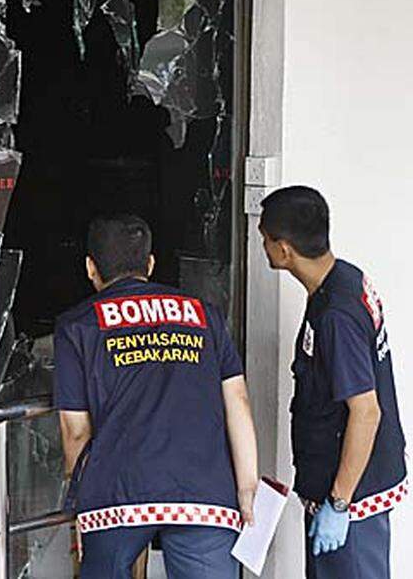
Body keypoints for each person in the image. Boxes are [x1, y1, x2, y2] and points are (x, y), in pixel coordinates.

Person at [54, 214, 258, 579]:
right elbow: (238, 402)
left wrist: (82, 507)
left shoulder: (78, 325)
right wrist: (246, 488)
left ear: (90, 268)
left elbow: (76, 433)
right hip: (203, 493)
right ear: (150, 264)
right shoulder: (204, 315)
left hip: (117, 493)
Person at [259, 186, 408, 579]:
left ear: (285, 249)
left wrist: (339, 504)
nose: (263, 246)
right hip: (345, 485)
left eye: (265, 239)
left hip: (351, 498)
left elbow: (366, 411)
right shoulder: (344, 279)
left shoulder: (335, 316)